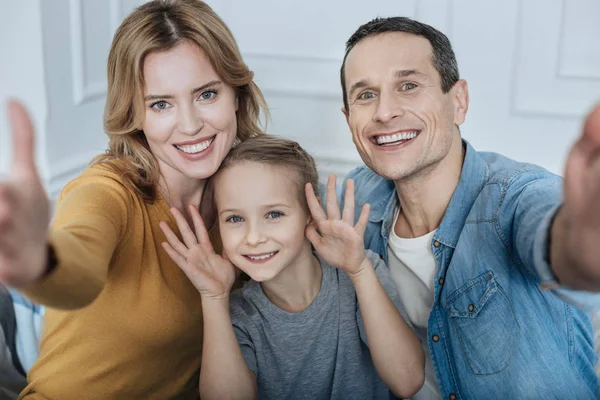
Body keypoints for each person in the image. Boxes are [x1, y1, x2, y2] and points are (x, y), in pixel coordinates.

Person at [0, 0, 268, 398]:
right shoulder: (107, 191)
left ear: (236, 95)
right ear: (134, 115)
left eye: (207, 94)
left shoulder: (249, 195)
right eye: (161, 104)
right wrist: (40, 262)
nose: (191, 125)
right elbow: (79, 266)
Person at [338, 16, 600, 399]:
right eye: (365, 95)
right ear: (348, 120)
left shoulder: (514, 196)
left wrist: (585, 240)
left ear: (458, 101)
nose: (384, 112)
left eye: (408, 85)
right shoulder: (356, 197)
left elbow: (555, 236)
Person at [159, 135, 426, 399]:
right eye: (235, 218)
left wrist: (358, 270)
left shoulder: (362, 273)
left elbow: (407, 380)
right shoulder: (239, 315)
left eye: (274, 214)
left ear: (310, 214)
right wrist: (214, 298)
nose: (253, 237)